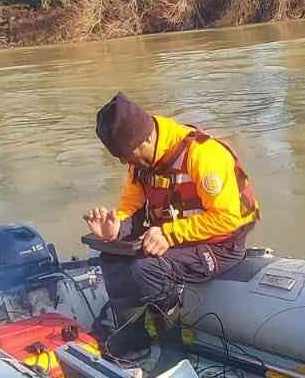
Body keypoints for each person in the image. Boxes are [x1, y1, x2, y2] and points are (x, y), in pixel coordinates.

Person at [84, 93, 261, 355]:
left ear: (146, 139)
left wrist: (170, 234)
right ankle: (133, 336)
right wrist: (115, 228)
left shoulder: (203, 154)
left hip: (222, 244)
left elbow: (227, 218)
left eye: (126, 155)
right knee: (112, 257)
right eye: (120, 157)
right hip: (177, 237)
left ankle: (173, 342)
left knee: (148, 269)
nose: (125, 162)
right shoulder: (140, 160)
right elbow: (131, 205)